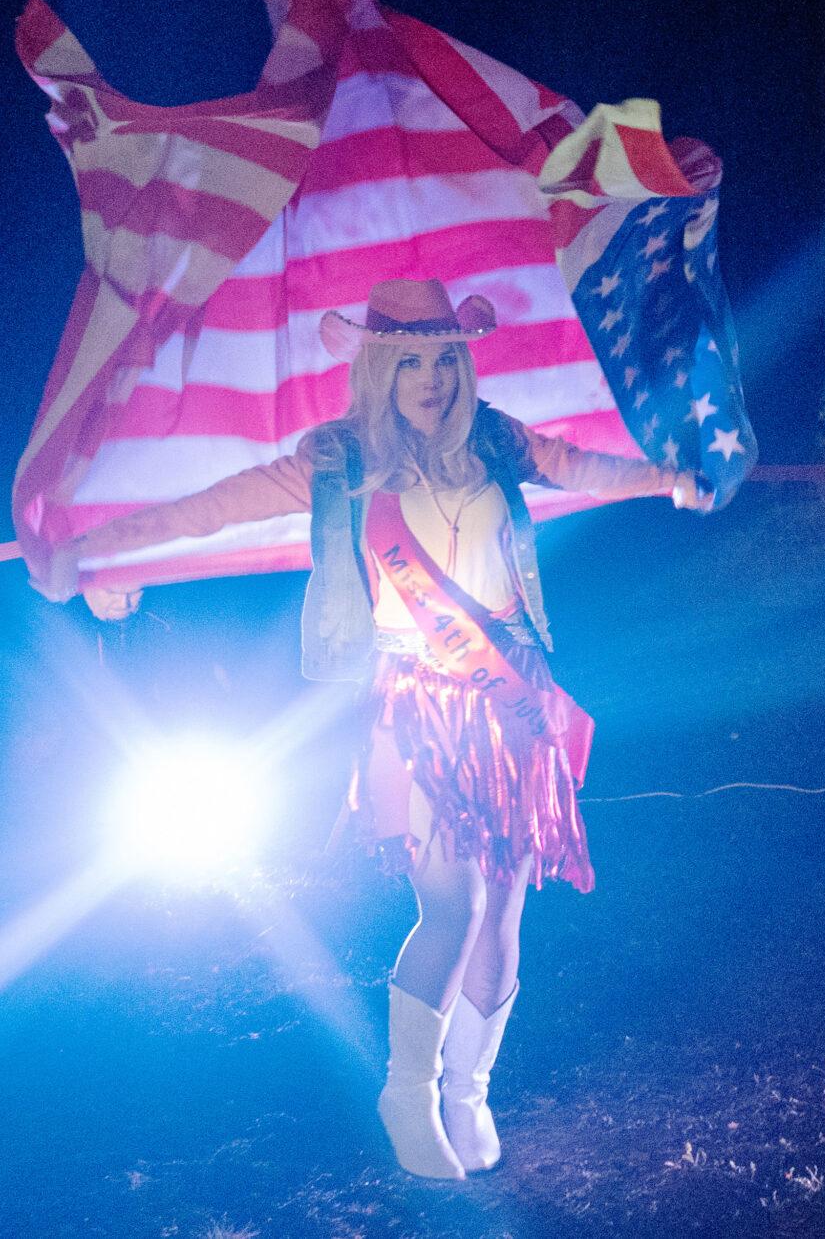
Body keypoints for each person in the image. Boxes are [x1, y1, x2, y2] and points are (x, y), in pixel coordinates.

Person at [48, 278, 712, 1181]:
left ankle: (470, 1094)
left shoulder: (494, 438)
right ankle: (408, 1092)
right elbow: (218, 509)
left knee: (506, 910)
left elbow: (575, 464)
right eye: (410, 361)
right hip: (422, 702)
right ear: (378, 369)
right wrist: (108, 548)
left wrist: (660, 478)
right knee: (455, 904)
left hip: (514, 696)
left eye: (445, 357)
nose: (432, 378)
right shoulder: (340, 461)